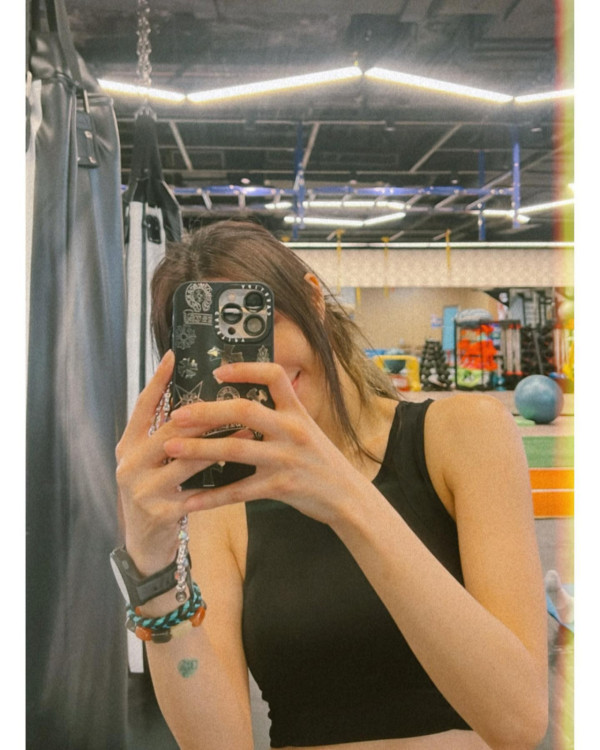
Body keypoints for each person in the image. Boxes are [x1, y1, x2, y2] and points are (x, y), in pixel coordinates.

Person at [115, 220, 548, 750]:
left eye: (254, 325)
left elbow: (519, 721)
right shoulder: (225, 503)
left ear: (313, 300)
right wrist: (153, 573)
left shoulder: (464, 434)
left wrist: (342, 496)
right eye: (217, 348)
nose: (251, 366)